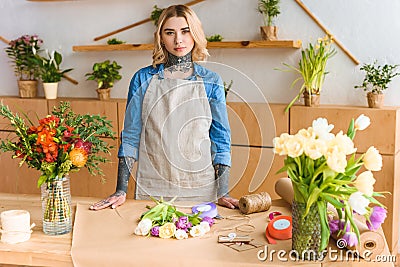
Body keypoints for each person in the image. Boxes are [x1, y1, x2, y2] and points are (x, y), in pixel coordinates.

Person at [90, 4, 238, 211]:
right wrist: (120, 189)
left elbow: (221, 140)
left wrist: (223, 192)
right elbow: (131, 136)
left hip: (200, 190)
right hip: (152, 188)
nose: (178, 40)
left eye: (185, 31)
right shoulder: (142, 78)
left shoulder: (211, 81)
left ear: (195, 33)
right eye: (170, 32)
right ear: (161, 37)